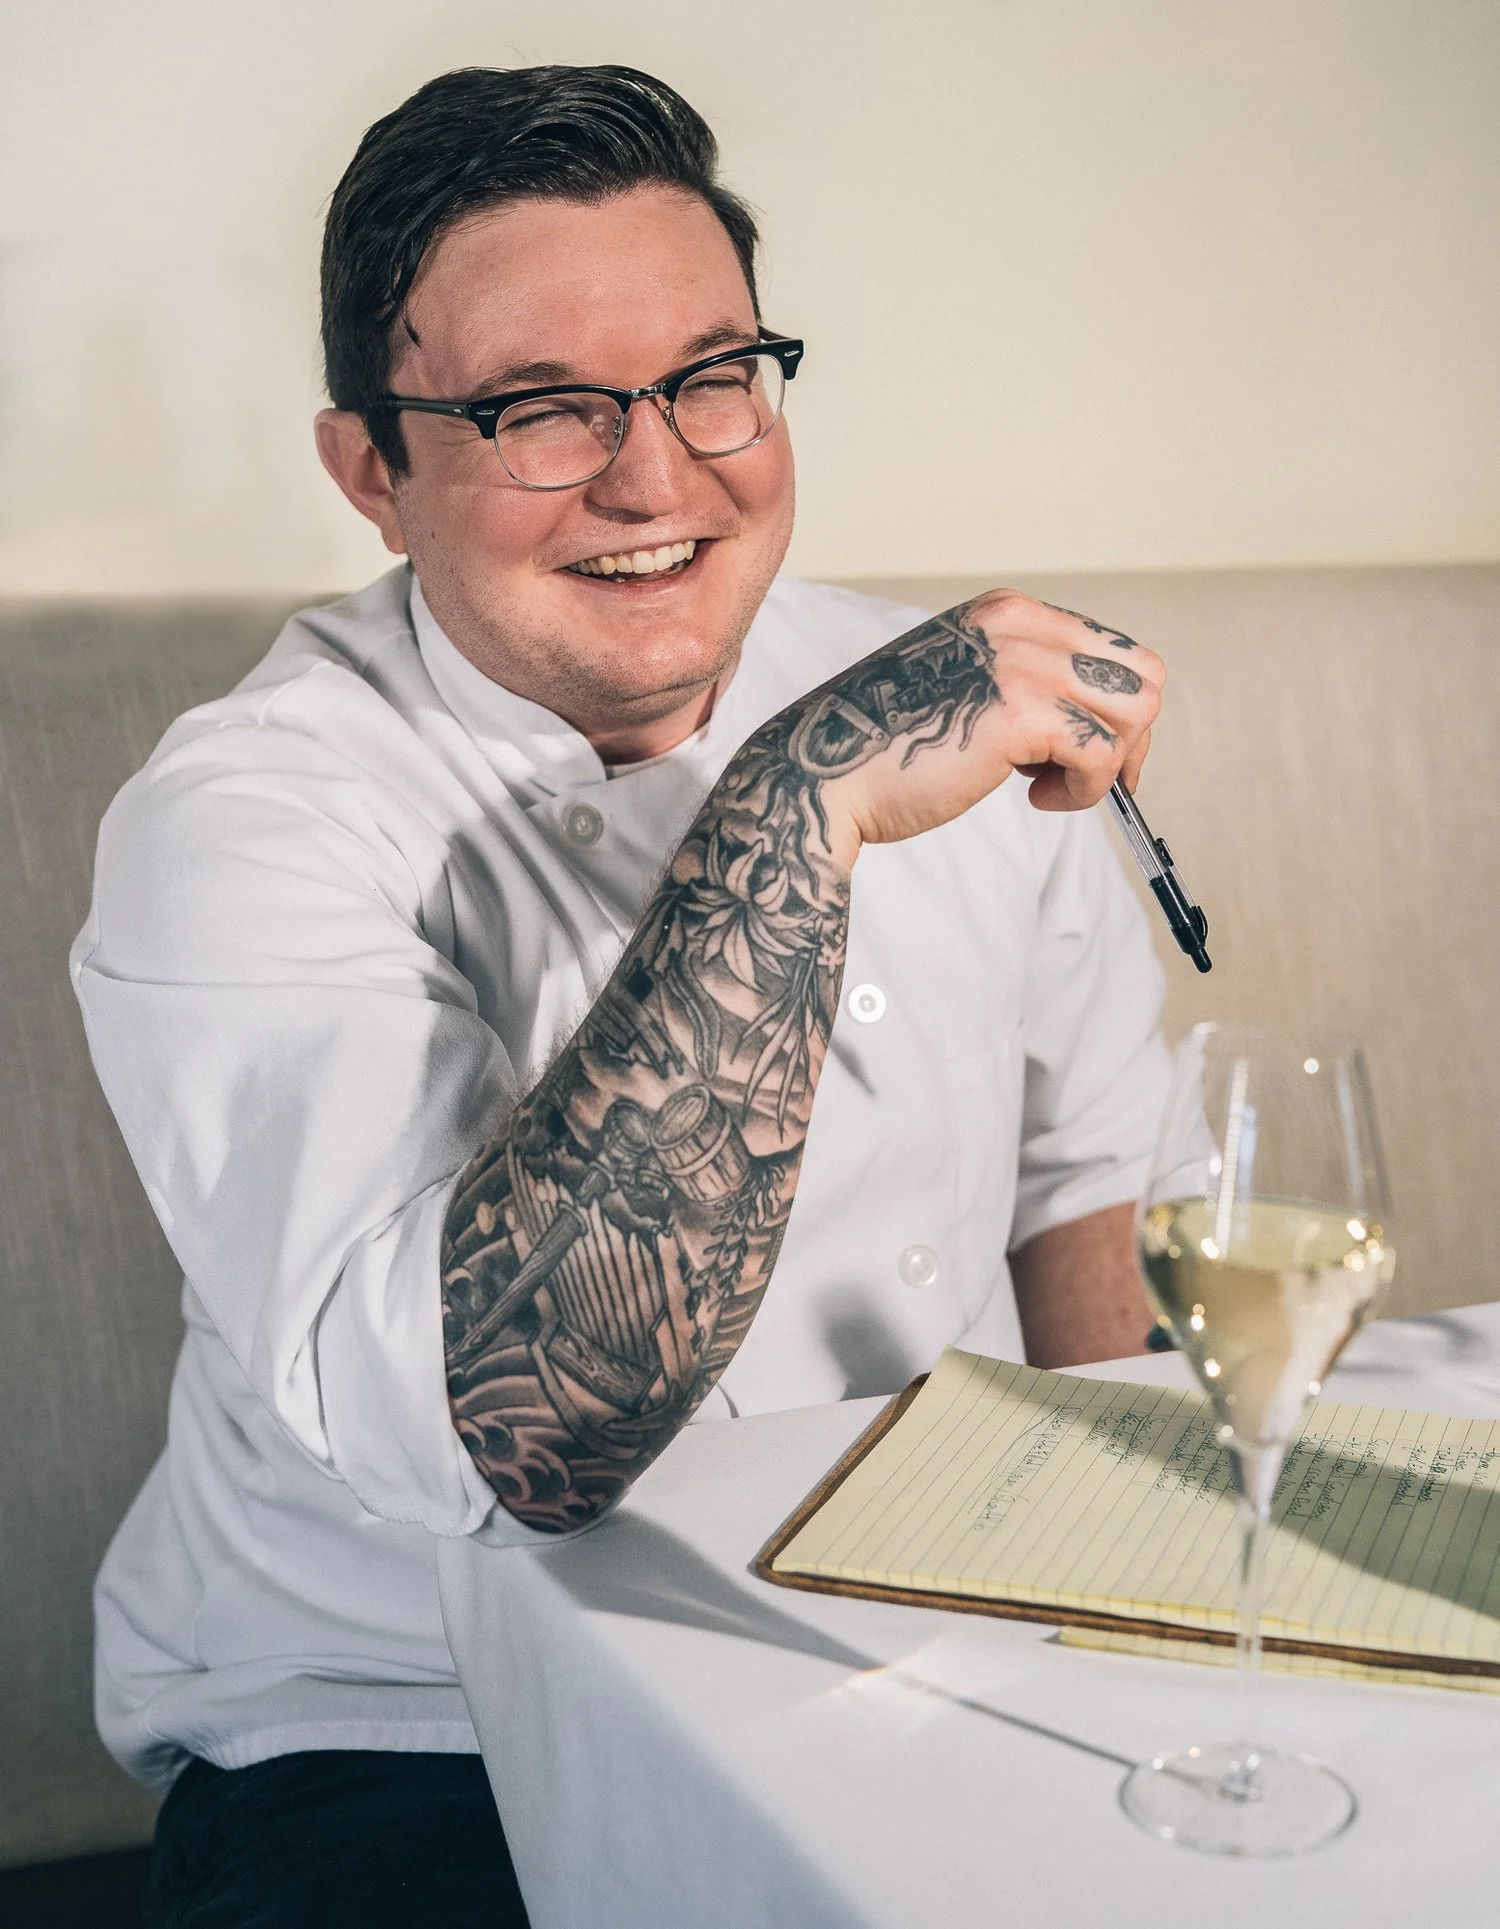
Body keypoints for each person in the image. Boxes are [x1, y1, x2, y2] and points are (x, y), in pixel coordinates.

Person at [74, 64, 1170, 1927]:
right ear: (373, 470)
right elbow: (512, 1433)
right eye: (539, 411)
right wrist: (796, 804)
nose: (658, 475)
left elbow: (1082, 1181)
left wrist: (1145, 1600)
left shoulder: (924, 678)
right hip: (412, 1734)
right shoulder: (245, 819)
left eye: (709, 377)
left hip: (916, 1643)